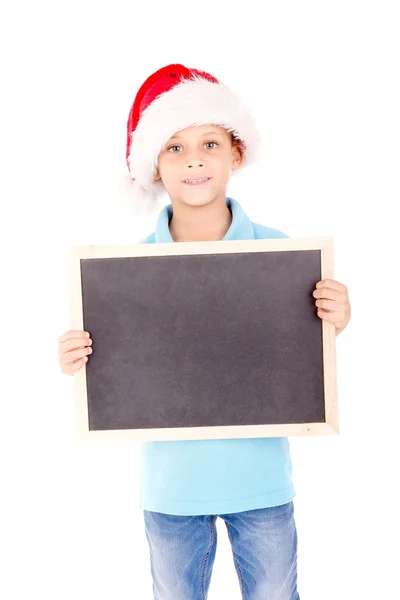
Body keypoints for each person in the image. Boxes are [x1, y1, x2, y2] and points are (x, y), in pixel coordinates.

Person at [58, 64, 351, 600]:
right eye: (173, 147)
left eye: (209, 143)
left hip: (261, 483)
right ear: (153, 167)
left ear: (235, 154)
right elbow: (115, 365)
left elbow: (301, 350)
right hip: (172, 491)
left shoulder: (279, 252)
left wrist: (337, 317)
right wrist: (80, 355)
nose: (193, 158)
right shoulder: (126, 273)